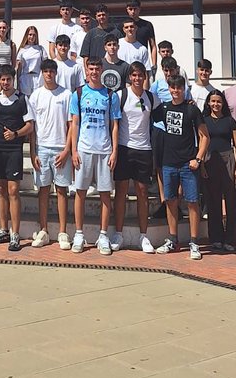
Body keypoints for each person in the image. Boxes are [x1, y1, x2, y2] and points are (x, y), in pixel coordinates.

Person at [152, 75, 209, 258]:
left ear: (184, 89)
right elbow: (145, 112)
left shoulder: (192, 109)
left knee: (192, 202)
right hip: (168, 162)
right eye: (172, 88)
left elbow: (204, 137)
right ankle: (172, 239)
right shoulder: (164, 108)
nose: (175, 91)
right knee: (170, 201)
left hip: (188, 163)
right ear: (168, 89)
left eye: (179, 88)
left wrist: (198, 159)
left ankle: (194, 242)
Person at [69, 59, 121, 254]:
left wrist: (114, 151)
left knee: (105, 194)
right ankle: (79, 234)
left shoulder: (110, 95)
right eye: (90, 69)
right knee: (80, 192)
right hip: (84, 149)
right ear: (86, 70)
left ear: (102, 71)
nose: (94, 72)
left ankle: (103, 235)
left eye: (97, 69)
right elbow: (74, 124)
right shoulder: (79, 93)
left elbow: (114, 125)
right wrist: (74, 150)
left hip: (104, 149)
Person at [0, 65, 34, 252]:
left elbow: (29, 126)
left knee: (13, 190)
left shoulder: (22, 99)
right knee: (1, 190)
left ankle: (15, 234)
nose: (5, 83)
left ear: (13, 80)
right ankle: (3, 229)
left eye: (8, 79)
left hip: (14, 149)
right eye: (2, 79)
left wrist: (16, 134)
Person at [112, 63, 156, 253]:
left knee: (143, 193)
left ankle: (143, 236)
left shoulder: (152, 98)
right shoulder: (121, 95)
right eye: (135, 75)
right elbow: (113, 123)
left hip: (144, 150)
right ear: (130, 77)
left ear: (145, 77)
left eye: (141, 75)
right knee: (121, 192)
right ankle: (119, 234)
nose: (138, 78)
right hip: (123, 149)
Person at [29, 59, 73, 249]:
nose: (49, 74)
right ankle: (44, 229)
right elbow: (31, 127)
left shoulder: (66, 94)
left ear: (56, 73)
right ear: (42, 73)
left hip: (60, 148)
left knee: (62, 190)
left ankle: (63, 232)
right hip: (42, 148)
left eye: (51, 71)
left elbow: (72, 125)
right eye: (45, 71)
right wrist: (32, 152)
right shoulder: (35, 95)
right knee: (43, 190)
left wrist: (66, 150)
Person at [201, 90, 236, 251]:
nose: (216, 104)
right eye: (213, 101)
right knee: (213, 200)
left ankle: (231, 239)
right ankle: (216, 238)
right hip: (210, 160)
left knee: (231, 200)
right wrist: (203, 165)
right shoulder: (204, 121)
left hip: (228, 160)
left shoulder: (230, 121)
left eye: (219, 101)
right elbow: (201, 143)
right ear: (208, 103)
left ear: (223, 103)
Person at [125, 0, 156, 72]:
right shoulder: (123, 25)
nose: (133, 11)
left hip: (142, 61)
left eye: (135, 9)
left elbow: (153, 45)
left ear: (139, 9)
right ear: (127, 10)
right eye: (130, 9)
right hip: (126, 62)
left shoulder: (147, 25)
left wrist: (154, 64)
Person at [16, 26, 44, 96]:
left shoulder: (40, 49)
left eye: (34, 35)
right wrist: (18, 83)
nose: (32, 37)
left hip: (37, 77)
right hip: (25, 78)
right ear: (26, 35)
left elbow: (45, 65)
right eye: (30, 34)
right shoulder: (22, 50)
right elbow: (19, 68)